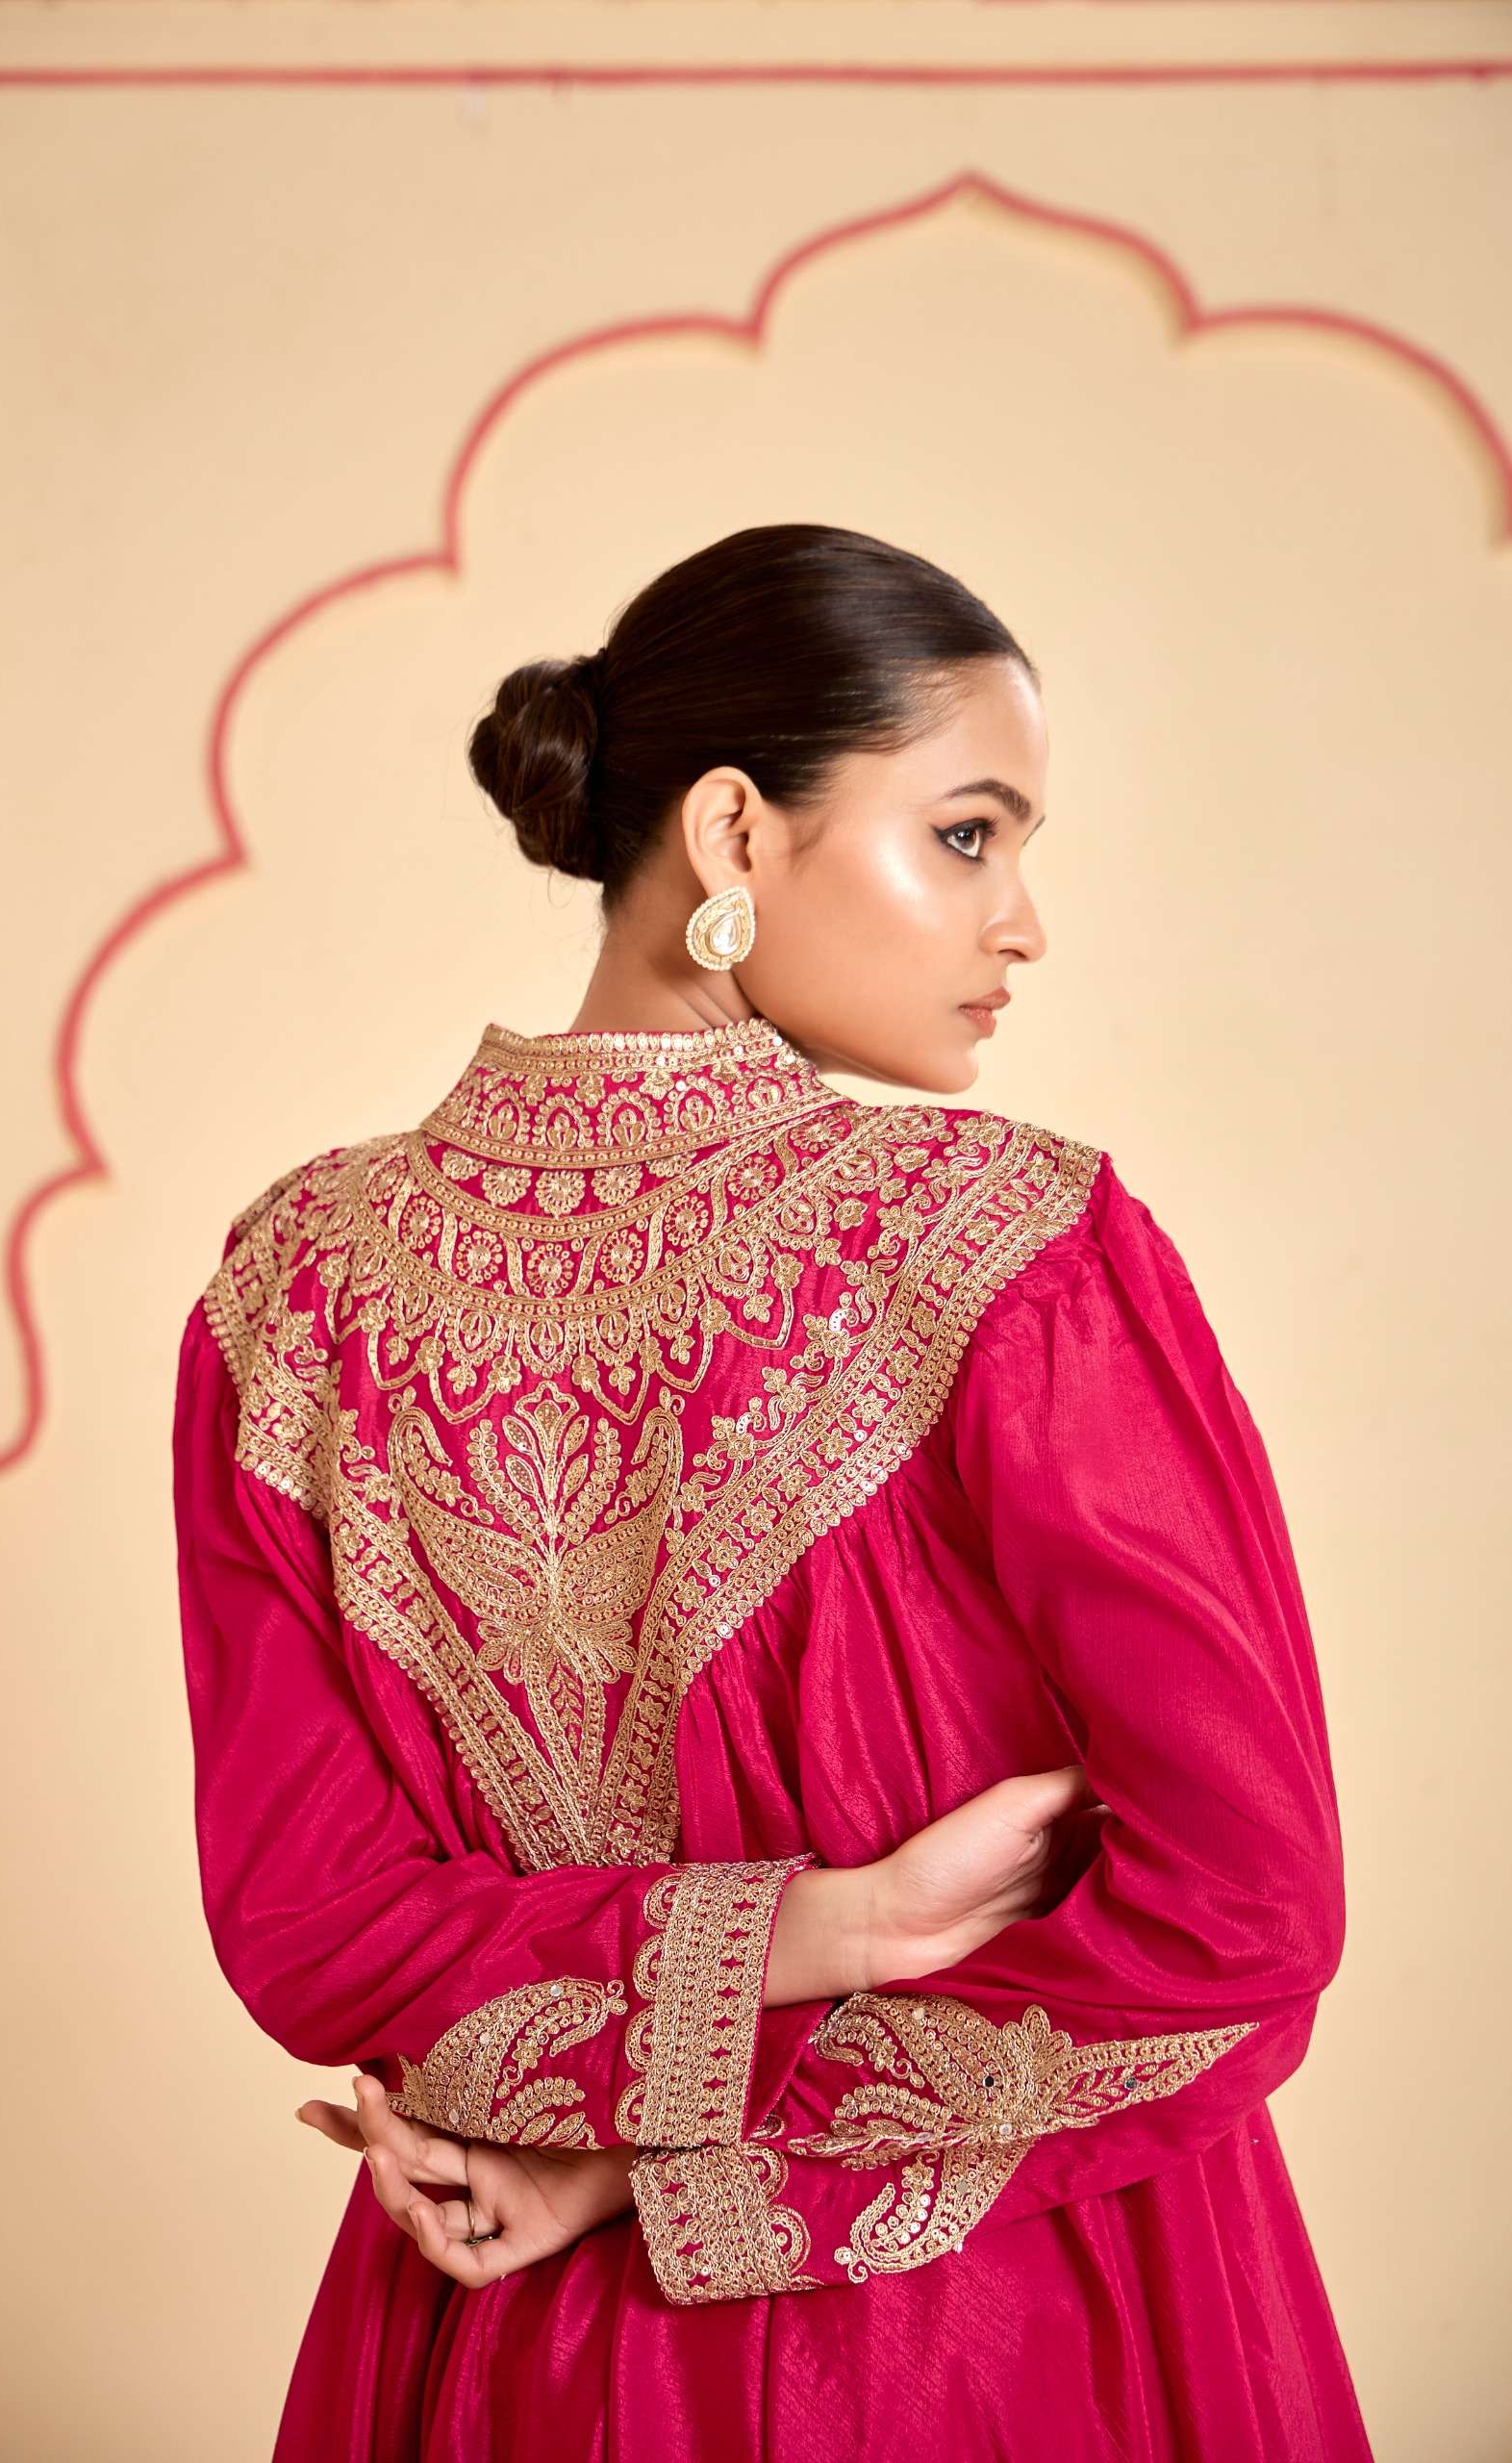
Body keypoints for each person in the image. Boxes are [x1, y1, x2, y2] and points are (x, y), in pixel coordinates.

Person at [172, 522, 1373, 2459]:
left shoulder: (293, 1290)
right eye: (966, 836)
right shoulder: (1011, 1255)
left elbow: (324, 1931)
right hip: (978, 2337)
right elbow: (1242, 1915)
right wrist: (838, 1931)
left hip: (502, 2317)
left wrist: (624, 2151)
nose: (1020, 924)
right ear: (733, 832)